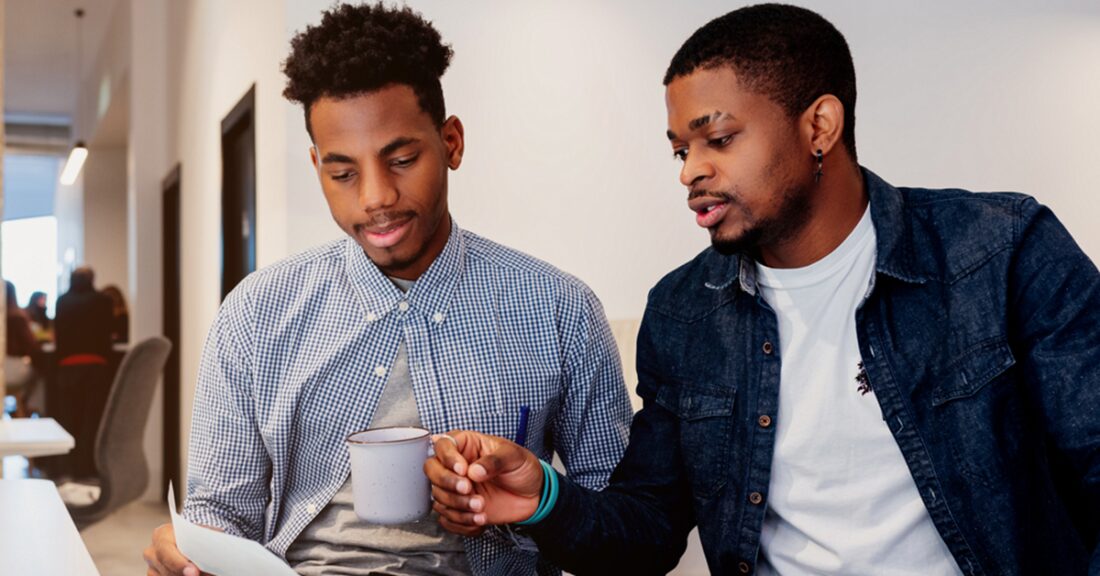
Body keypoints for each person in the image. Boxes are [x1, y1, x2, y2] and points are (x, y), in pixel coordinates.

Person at [426, 4, 1100, 575]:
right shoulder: (685, 311)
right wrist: (543, 498)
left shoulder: (1000, 250)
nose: (691, 170)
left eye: (717, 138)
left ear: (819, 127)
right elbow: (647, 529)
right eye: (680, 150)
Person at [142, 3, 632, 576]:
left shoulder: (558, 309)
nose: (375, 197)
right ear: (316, 166)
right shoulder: (256, 314)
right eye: (342, 173)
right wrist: (192, 546)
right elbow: (221, 512)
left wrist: (540, 492)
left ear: (451, 142)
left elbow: (621, 525)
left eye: (401, 159)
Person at [52, 266, 115, 478]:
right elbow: (108, 335)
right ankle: (86, 470)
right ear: (92, 279)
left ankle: (65, 471)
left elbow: (58, 336)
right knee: (92, 421)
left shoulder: (62, 301)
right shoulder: (104, 301)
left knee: (68, 420)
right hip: (96, 367)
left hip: (67, 368)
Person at [5, 281, 42, 416]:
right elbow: (32, 347)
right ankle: (29, 407)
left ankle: (23, 408)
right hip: (13, 371)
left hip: (7, 370)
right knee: (41, 374)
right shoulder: (17, 317)